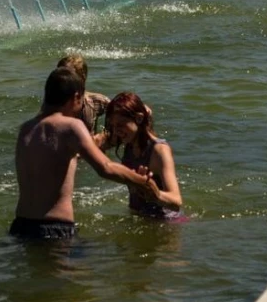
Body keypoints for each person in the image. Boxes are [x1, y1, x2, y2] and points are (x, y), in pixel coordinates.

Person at [11, 68, 154, 240]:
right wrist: (142, 182)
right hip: (55, 227)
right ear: (77, 97)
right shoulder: (71, 126)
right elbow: (105, 167)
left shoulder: (26, 129)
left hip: (20, 226)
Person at [105, 92, 184, 221]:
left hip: (167, 222)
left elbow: (176, 201)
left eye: (120, 125)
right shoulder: (128, 140)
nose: (116, 131)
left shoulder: (159, 151)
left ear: (139, 119)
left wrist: (155, 194)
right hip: (140, 218)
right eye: (112, 126)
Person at [56, 53, 109, 133]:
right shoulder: (53, 104)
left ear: (82, 78)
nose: (63, 79)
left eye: (68, 75)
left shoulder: (96, 101)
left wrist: (104, 136)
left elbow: (119, 116)